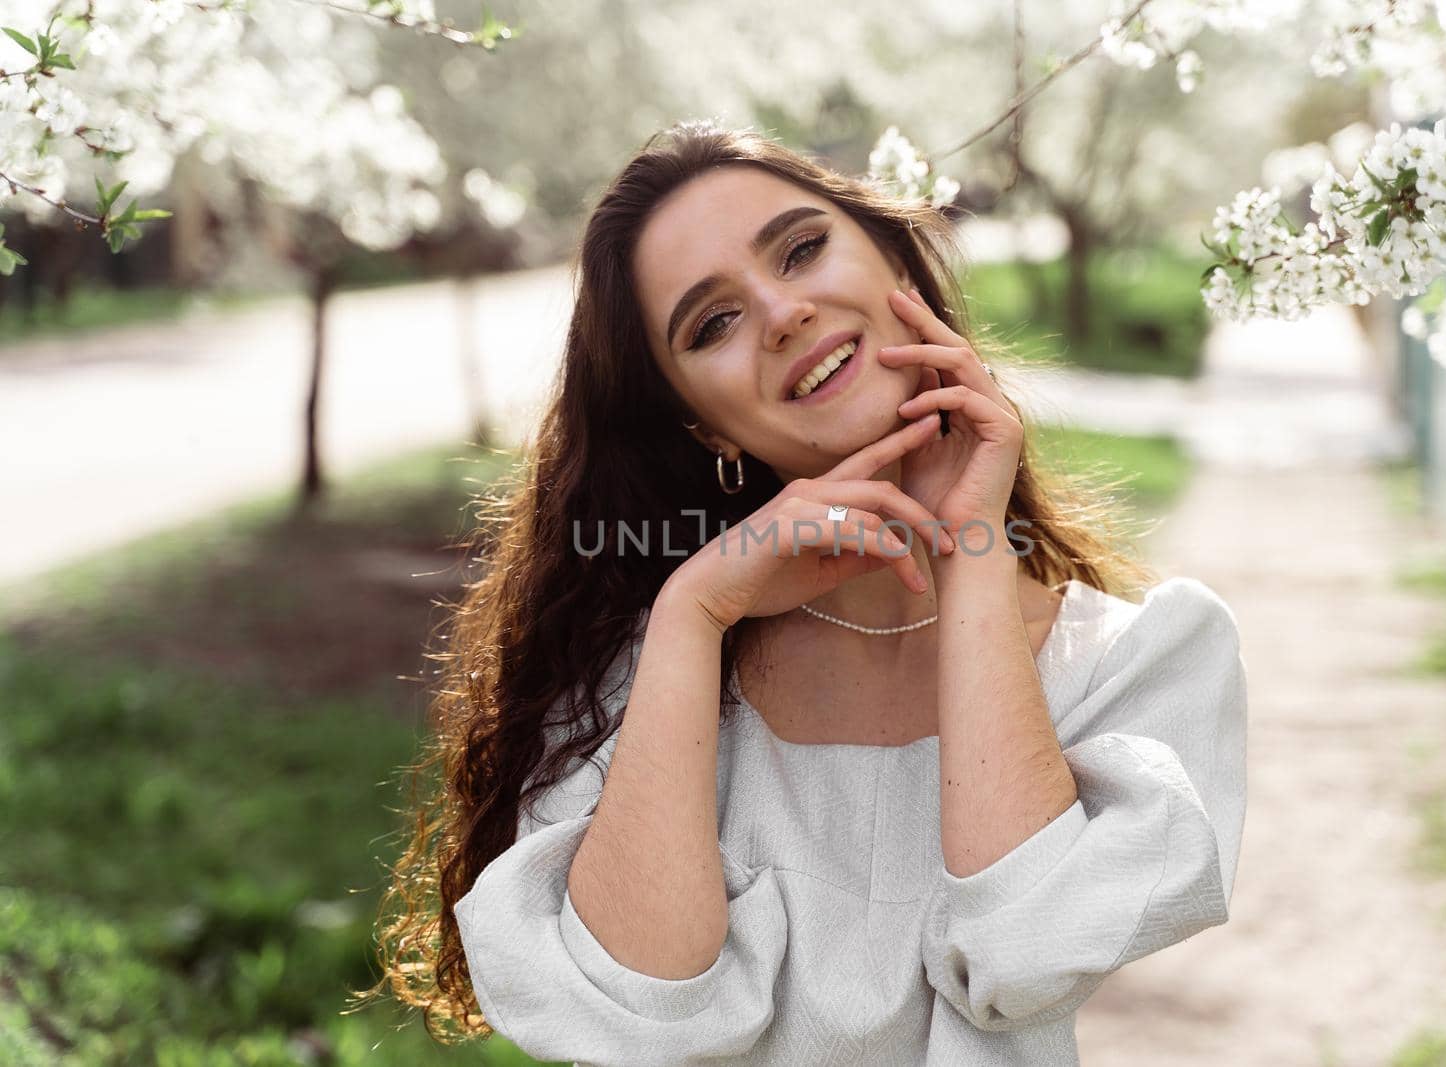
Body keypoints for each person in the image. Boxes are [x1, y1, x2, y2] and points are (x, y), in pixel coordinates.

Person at [365, 120, 1248, 1066]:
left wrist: (972, 545)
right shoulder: (640, 675)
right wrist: (693, 611)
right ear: (702, 426)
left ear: (895, 264)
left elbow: (1026, 953)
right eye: (713, 323)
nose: (782, 312)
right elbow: (643, 1008)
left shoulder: (1136, 665)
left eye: (802, 249)